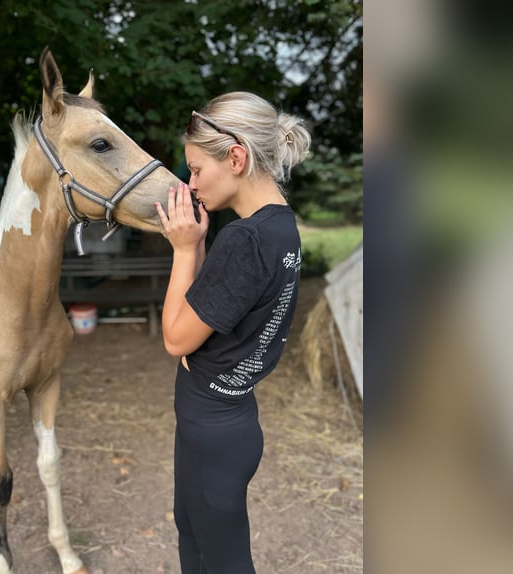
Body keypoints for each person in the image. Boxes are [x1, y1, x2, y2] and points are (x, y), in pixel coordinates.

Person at [154, 91, 311, 573]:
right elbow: (209, 307)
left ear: (237, 158)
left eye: (197, 169)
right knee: (195, 537)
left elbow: (177, 338)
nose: (192, 182)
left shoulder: (244, 239)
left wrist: (183, 251)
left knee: (222, 561)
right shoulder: (280, 228)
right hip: (230, 419)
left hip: (212, 429)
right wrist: (198, 243)